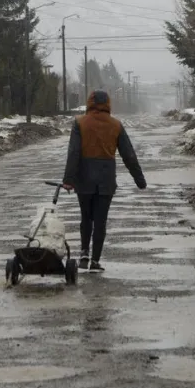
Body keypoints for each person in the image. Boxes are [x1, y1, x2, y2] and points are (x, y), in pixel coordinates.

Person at [62, 90, 146, 272]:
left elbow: (74, 152)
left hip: (84, 177)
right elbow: (128, 154)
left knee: (86, 217)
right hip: (106, 178)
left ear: (89, 102)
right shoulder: (116, 125)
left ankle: (84, 253)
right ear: (108, 103)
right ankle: (95, 261)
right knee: (100, 220)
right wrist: (139, 179)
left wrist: (68, 179)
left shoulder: (80, 123)